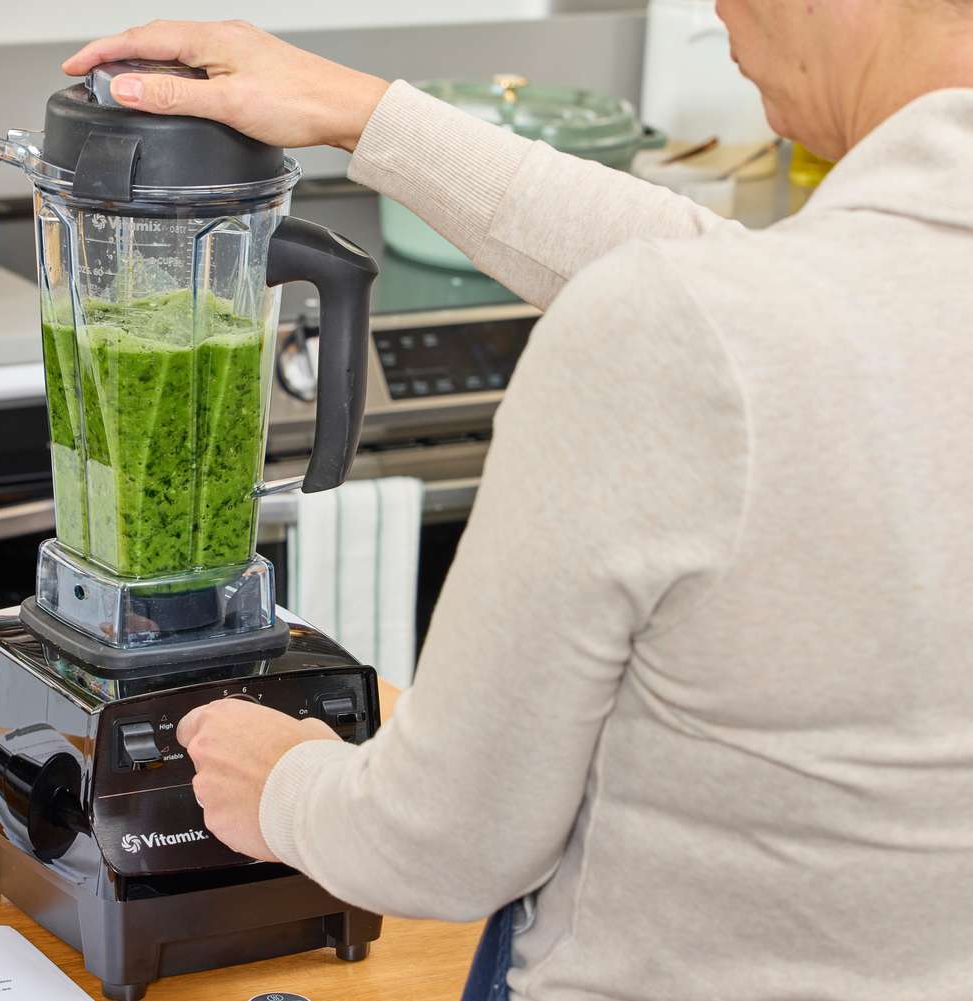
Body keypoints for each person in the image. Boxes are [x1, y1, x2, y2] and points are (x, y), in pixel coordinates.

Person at [65, 6, 973, 1001]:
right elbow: (745, 291)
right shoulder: (820, 303)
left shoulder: (679, 329)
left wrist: (281, 782)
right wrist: (362, 113)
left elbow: (442, 843)